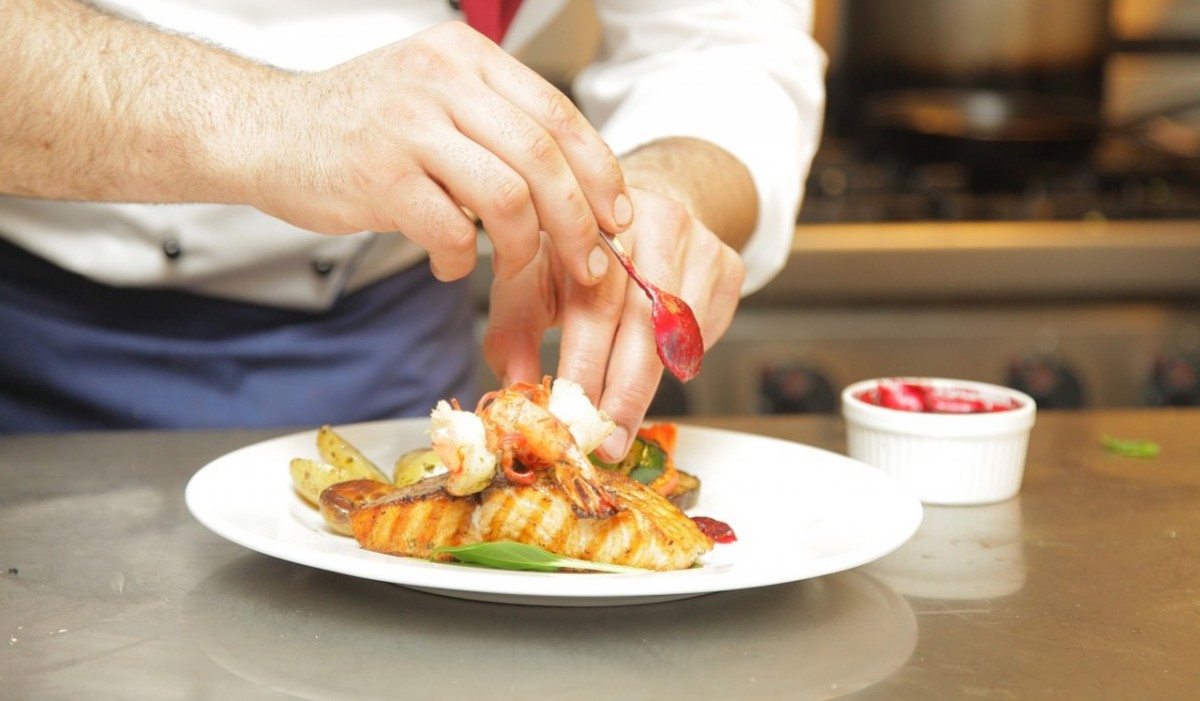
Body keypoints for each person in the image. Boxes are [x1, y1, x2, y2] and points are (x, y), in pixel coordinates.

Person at [0, 0, 825, 460]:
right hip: (29, 350)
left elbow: (722, 45)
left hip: (393, 357)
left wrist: (668, 181)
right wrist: (272, 118)